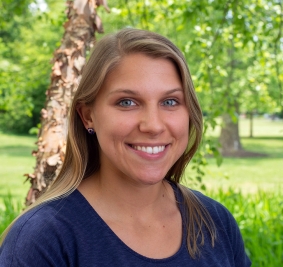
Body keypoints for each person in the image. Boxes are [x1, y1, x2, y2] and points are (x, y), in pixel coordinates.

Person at [0, 28, 251, 266]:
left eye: (171, 101)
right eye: (127, 102)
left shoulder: (216, 223)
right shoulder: (42, 240)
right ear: (88, 116)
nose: (153, 125)